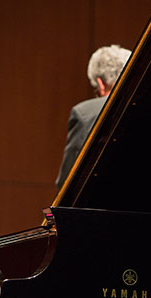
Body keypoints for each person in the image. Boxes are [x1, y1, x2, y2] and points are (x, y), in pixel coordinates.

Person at [56, 44, 131, 189]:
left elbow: (66, 183)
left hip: (102, 206)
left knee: (47, 211)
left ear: (100, 83)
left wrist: (49, 212)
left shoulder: (85, 113)